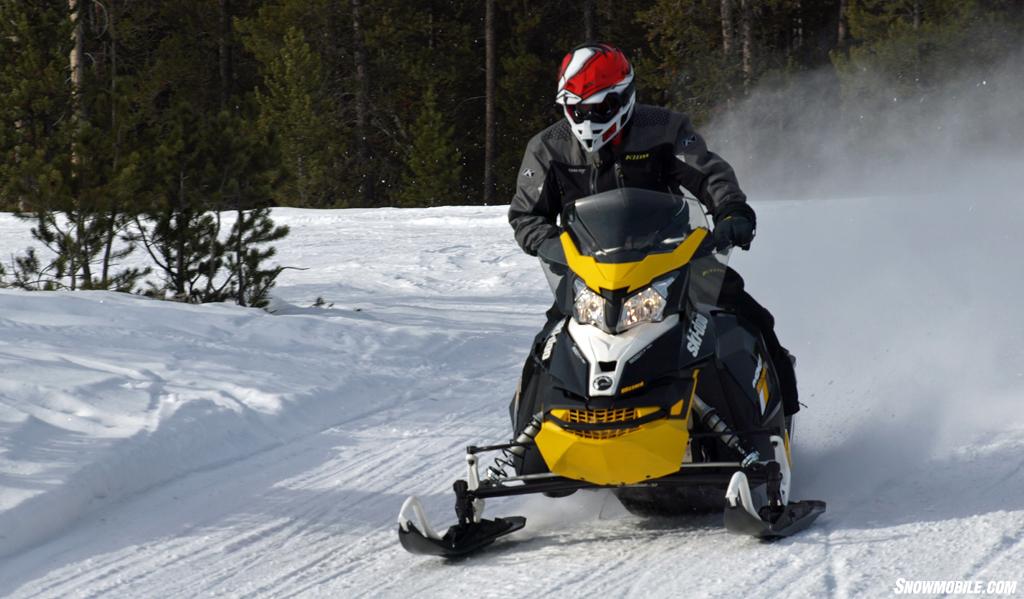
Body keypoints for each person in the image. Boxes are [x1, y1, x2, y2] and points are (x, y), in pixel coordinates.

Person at [507, 42, 799, 417]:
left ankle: (778, 416)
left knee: (746, 315)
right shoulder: (548, 147)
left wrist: (731, 210)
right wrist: (554, 247)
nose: (588, 119)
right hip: (589, 275)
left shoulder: (663, 128)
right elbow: (526, 215)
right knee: (548, 345)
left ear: (624, 97)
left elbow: (709, 173)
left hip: (675, 261)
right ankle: (527, 442)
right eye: (578, 110)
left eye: (600, 109)